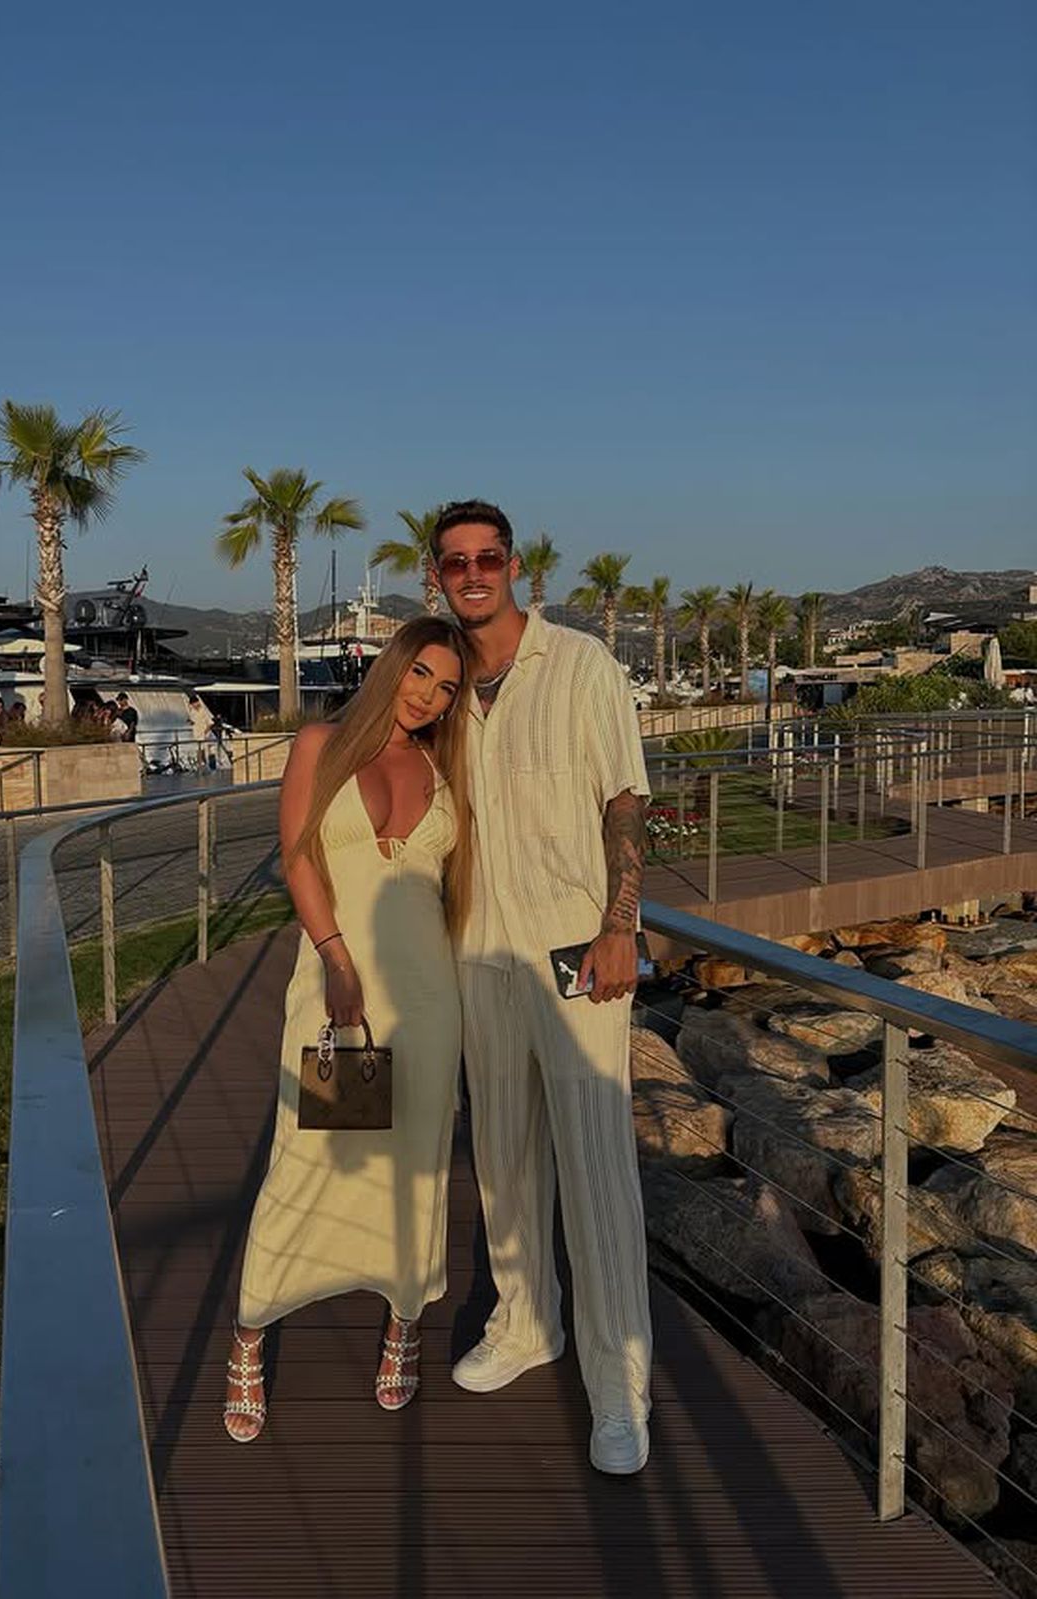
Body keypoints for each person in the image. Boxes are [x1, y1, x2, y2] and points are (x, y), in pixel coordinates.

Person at [432, 499, 654, 1476]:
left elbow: (624, 799)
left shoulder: (582, 665)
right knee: (505, 1159)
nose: (474, 573)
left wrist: (621, 923)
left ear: (514, 565)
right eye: (456, 562)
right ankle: (528, 1321)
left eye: (488, 557)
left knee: (598, 1171)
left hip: (577, 951)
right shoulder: (442, 683)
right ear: (438, 576)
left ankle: (620, 1389)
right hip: (478, 952)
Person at [224, 616, 473, 1443]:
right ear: (393, 665)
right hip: (341, 997)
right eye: (421, 674)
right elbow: (299, 855)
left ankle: (403, 1323)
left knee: (414, 1169)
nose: (429, 696)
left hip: (427, 1003)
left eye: (447, 687)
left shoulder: (444, 768)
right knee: (311, 1160)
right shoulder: (319, 744)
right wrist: (335, 958)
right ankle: (251, 1332)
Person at [186, 693, 216, 768]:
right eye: (192, 704)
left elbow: (210, 723)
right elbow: (193, 721)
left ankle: (210, 767)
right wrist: (190, 722)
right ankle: (201, 766)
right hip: (197, 734)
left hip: (205, 734)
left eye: (194, 704)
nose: (193, 706)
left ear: (197, 702)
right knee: (199, 750)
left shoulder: (204, 711)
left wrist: (206, 731)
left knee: (208, 751)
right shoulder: (192, 711)